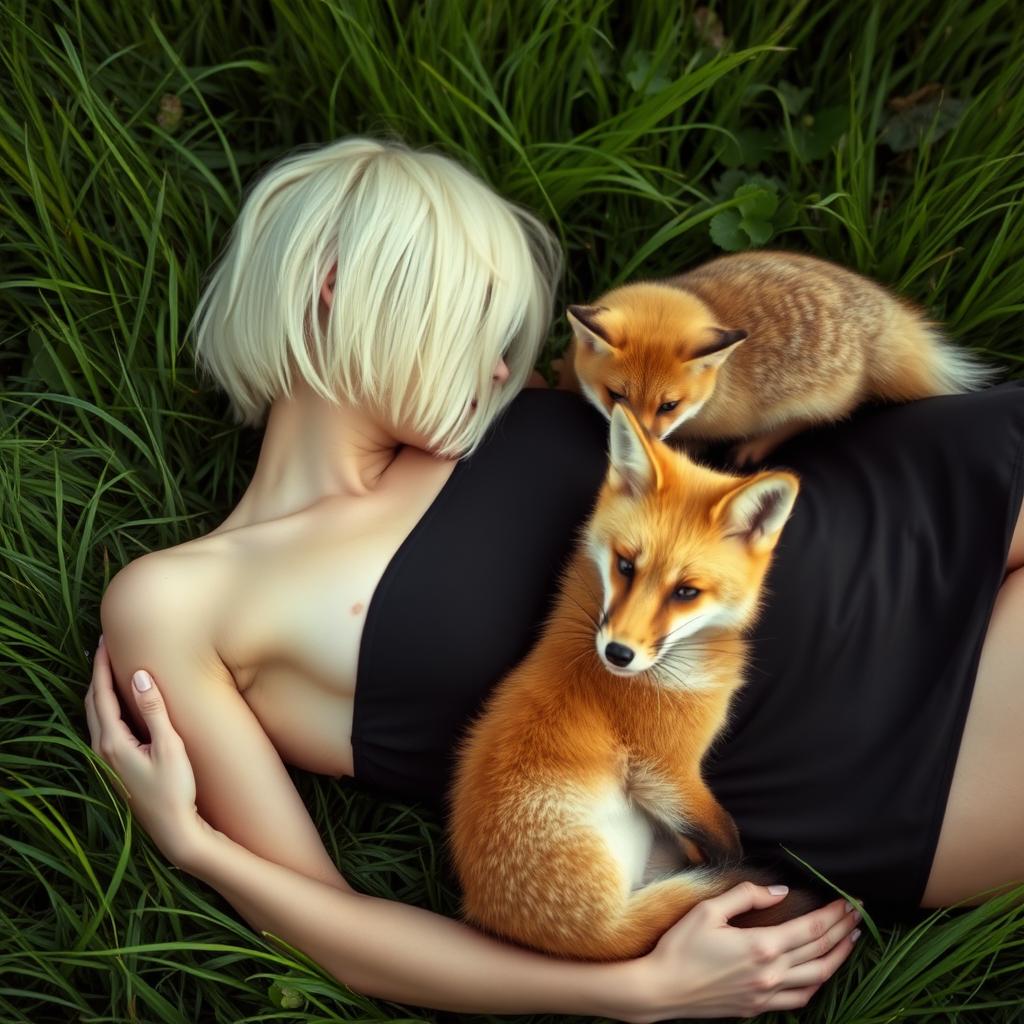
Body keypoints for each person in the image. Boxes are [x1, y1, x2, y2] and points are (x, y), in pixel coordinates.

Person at [82, 136, 1024, 1022]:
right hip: (905, 754)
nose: (501, 365)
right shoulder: (182, 602)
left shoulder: (507, 410)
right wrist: (198, 849)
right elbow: (334, 924)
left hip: (939, 480)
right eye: (477, 323)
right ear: (333, 290)